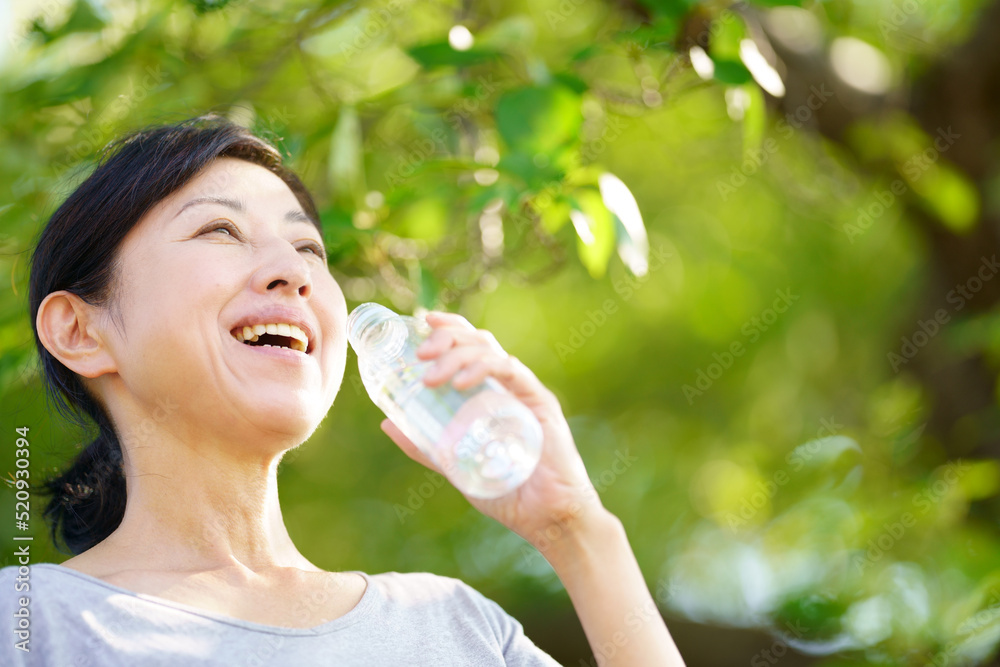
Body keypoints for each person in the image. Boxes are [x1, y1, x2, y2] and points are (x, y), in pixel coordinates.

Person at [0, 114, 686, 666]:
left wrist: (575, 530)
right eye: (220, 229)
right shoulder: (27, 624)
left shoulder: (454, 629)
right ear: (80, 331)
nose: (291, 274)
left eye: (308, 250)